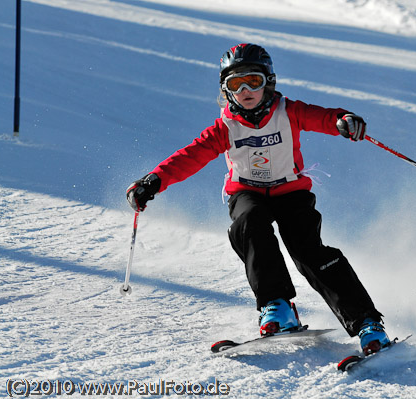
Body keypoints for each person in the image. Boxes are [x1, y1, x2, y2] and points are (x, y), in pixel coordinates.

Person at [126, 43, 390, 355]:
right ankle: (277, 306)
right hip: (246, 192)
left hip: (291, 191)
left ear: (269, 82)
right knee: (249, 225)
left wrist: (343, 121)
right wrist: (154, 181)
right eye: (236, 85)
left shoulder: (288, 112)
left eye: (254, 80)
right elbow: (191, 156)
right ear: (226, 92)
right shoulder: (224, 127)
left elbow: (323, 118)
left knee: (308, 250)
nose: (246, 90)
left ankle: (366, 324)